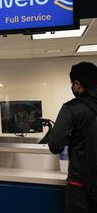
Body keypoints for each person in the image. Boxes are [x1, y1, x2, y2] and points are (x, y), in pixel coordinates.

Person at [47, 62, 97, 213]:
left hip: (80, 185)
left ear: (77, 84)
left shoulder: (72, 108)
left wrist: (73, 136)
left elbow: (55, 145)